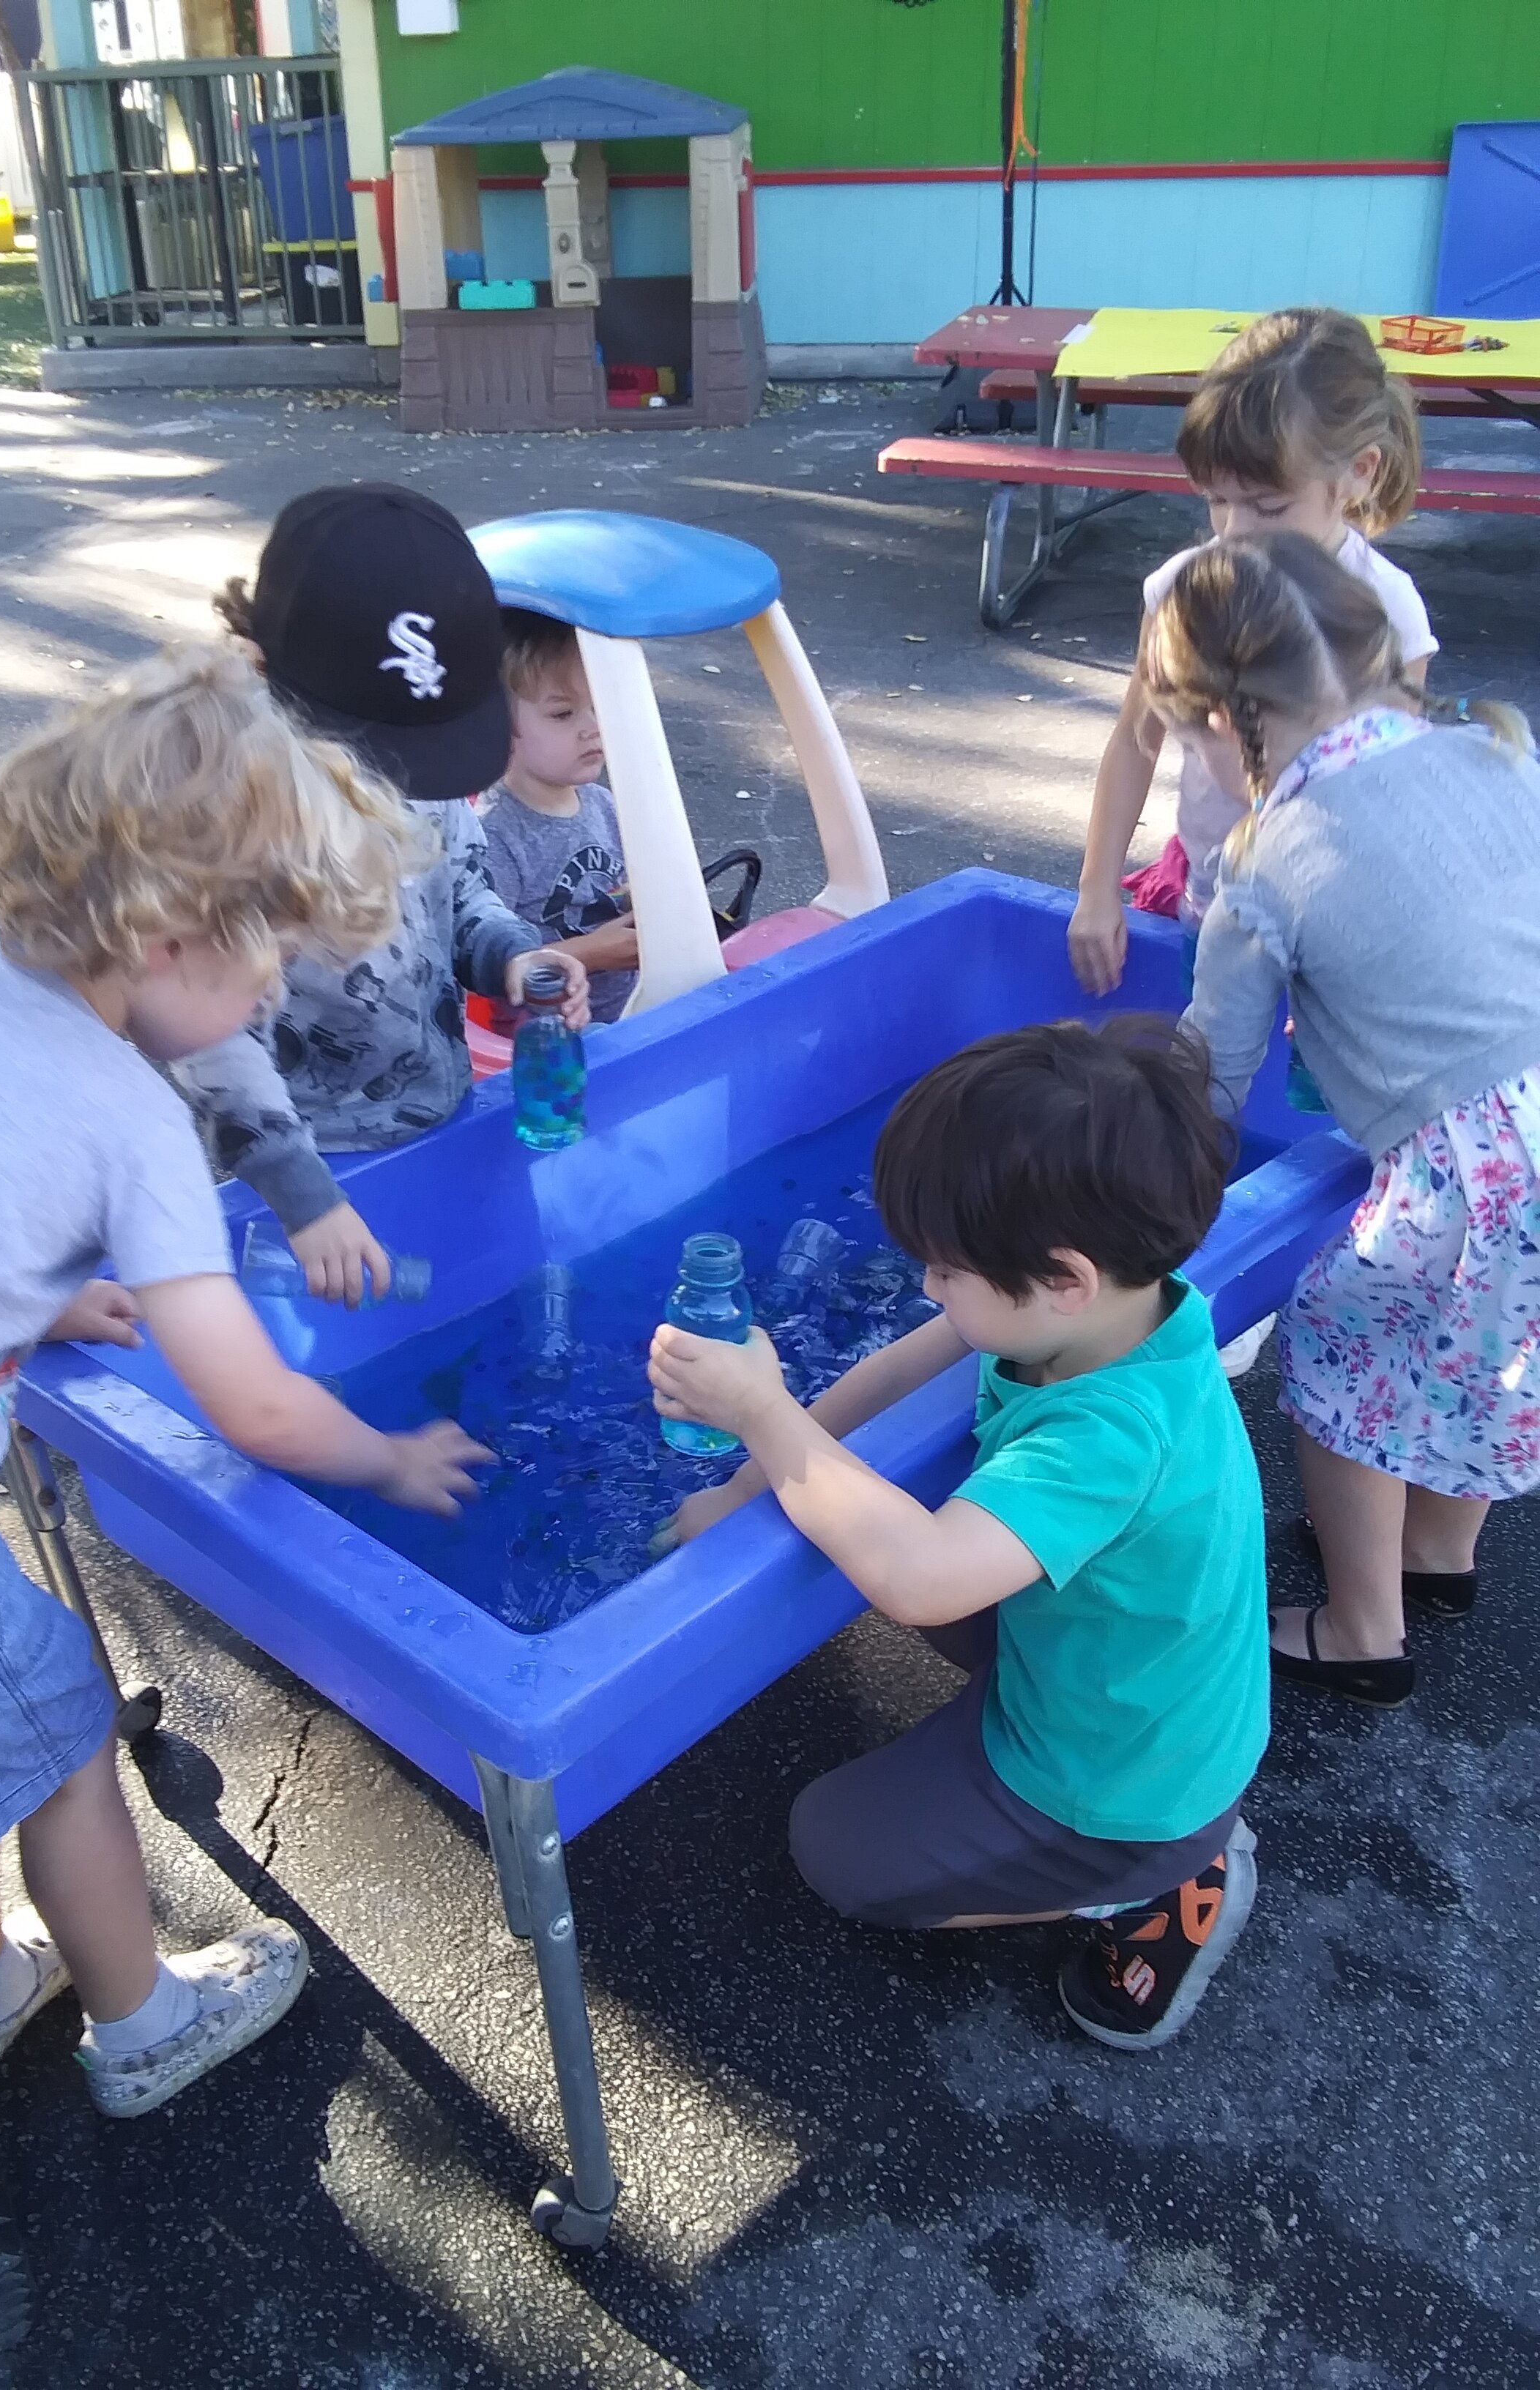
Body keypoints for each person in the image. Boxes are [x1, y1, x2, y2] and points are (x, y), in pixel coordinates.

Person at [0, 647, 490, 2115]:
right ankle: (143, 2028)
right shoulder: (130, 1128)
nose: (278, 989)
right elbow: (256, 1409)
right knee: (65, 1740)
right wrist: (395, 1464)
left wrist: (23, 1284)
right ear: (166, 941)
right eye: (270, 955)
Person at [651, 1018, 1267, 2050]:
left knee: (833, 1850)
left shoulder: (1112, 1433)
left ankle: (1153, 1887)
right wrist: (743, 1491)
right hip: (1130, 1689)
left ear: (1063, 1277)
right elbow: (892, 1372)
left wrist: (761, 1410)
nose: (927, 1289)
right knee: (868, 1522)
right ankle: (1135, 1830)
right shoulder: (1113, 1309)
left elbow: (922, 1580)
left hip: (1120, 1783)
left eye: (946, 1271)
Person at [1147, 532, 1540, 1710]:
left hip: (1481, 1159)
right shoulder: (1498, 752)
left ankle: (1364, 1627)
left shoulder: (1266, 853)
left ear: (1224, 721)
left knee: (1343, 1355)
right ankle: (1438, 1552)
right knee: (1491, 1349)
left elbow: (1209, 1073)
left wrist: (1148, 1194)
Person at [1067, 305, 1436, 1377]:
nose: (1232, 529)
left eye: (1265, 503)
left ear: (1355, 475)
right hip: (1215, 899)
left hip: (1331, 924)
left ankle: (1312, 1269)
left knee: (1327, 1107)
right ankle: (1199, 1267)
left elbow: (1402, 796)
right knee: (1205, 1079)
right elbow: (1135, 741)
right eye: (1215, 499)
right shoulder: (1186, 589)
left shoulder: (1385, 613)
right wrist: (1098, 884)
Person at [182, 487, 591, 1303]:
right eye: (379, 751)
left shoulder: (420, 771)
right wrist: (303, 1198)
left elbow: (458, 887)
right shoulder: (234, 821)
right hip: (300, 1156)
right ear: (269, 670)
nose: (402, 776)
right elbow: (207, 1031)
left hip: (434, 1105)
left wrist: (512, 956)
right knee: (322, 1342)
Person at [477, 608, 639, 1026]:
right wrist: (593, 953)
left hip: (633, 1013)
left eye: (597, 705)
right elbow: (492, 970)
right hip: (549, 1039)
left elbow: (619, 888)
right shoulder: (495, 833)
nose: (593, 728)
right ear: (500, 722)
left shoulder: (601, 804)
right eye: (563, 714)